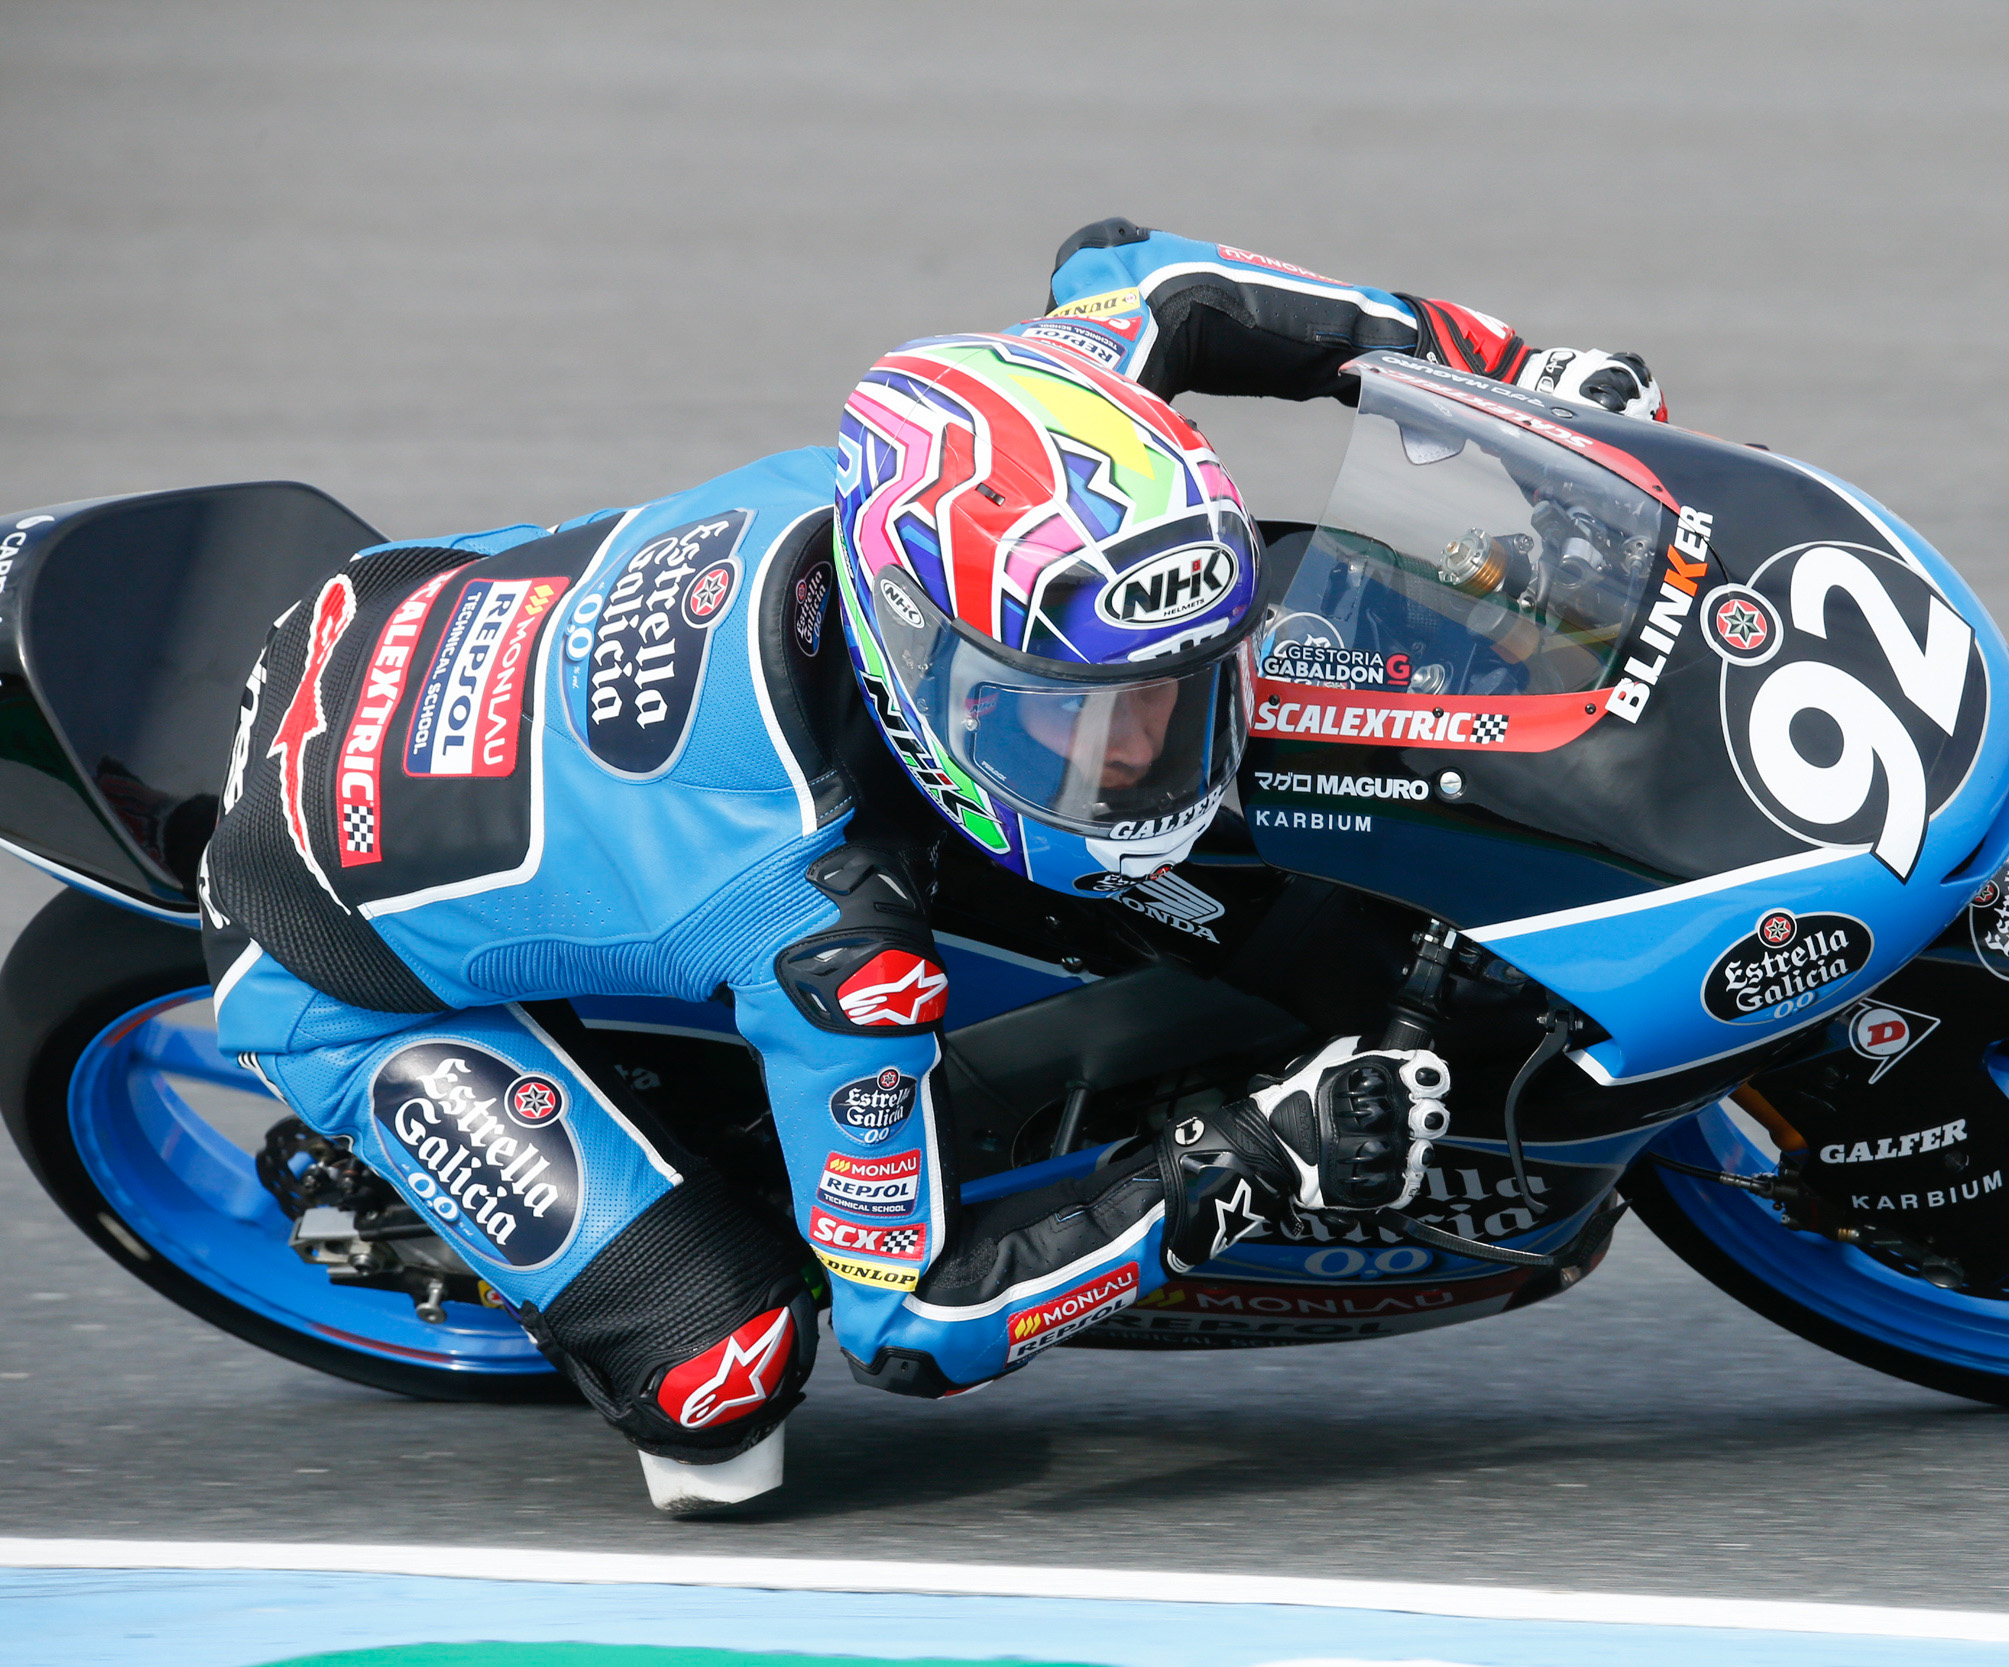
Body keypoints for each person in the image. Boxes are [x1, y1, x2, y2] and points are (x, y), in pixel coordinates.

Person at [198, 220, 1667, 1510]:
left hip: (405, 617)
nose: (1155, 744)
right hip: (323, 946)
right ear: (932, 679)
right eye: (1093, 720)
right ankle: (642, 1273)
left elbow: (1151, 276)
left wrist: (1501, 372)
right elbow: (911, 1329)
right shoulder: (823, 922)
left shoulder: (1001, 448)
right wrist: (1252, 1155)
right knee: (726, 1395)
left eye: (1176, 692)